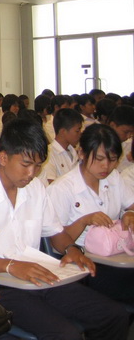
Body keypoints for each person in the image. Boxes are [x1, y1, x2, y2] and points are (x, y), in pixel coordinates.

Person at [0, 118, 129, 340]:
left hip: (37, 276)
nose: (32, 173)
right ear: (3, 158)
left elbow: (55, 233)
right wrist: (11, 266)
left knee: (114, 315)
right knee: (65, 334)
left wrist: (71, 249)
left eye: (38, 165)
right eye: (26, 165)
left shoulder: (36, 189)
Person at [47, 123, 134, 302]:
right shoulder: (62, 188)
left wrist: (128, 213)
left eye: (112, 159)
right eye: (99, 159)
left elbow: (131, 205)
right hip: (85, 263)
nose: (106, 166)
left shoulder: (114, 177)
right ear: (82, 153)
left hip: (117, 254)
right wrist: (84, 221)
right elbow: (56, 243)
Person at [37, 108, 83, 185]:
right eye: (77, 131)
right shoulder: (49, 154)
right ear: (63, 131)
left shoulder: (73, 151)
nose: (80, 134)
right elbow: (51, 184)